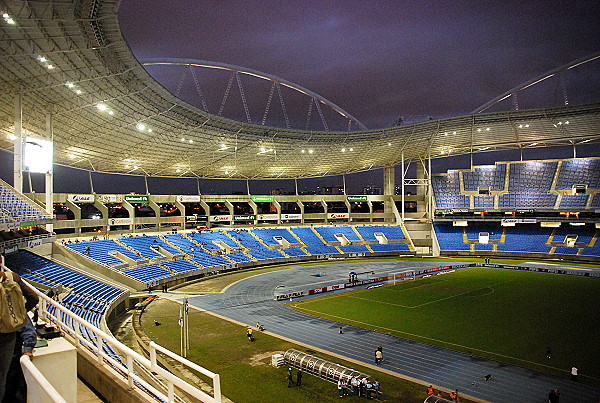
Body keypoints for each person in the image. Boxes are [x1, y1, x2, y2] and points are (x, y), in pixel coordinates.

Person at [0, 262, 39, 401]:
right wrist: (20, 314)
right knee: (2, 378)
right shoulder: (13, 277)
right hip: (8, 335)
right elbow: (34, 298)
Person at [3, 317, 37, 402]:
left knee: (12, 391)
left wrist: (27, 349)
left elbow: (28, 331)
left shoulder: (9, 309)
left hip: (12, 358)